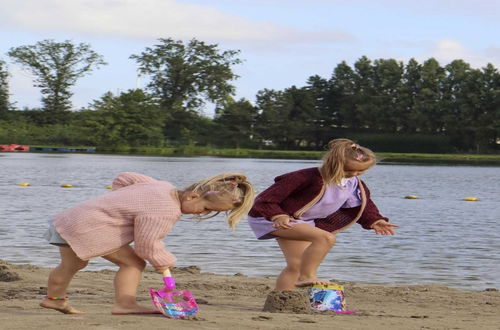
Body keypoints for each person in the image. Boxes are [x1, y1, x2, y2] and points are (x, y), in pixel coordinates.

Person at [40, 171, 254, 315]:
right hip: (88, 228)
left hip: (71, 219)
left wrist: (123, 200)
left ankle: (54, 299)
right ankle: (125, 304)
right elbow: (147, 245)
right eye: (207, 209)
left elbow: (124, 178)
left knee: (73, 265)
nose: (204, 214)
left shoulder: (162, 186)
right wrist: (163, 261)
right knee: (133, 264)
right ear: (193, 196)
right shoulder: (165, 210)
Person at [247, 138, 398, 290]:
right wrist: (277, 215)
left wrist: (375, 220)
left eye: (360, 171)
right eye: (347, 170)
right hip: (270, 217)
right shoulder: (305, 177)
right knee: (326, 238)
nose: (353, 174)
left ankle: (281, 299)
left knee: (297, 265)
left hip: (302, 221)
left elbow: (362, 205)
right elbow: (264, 199)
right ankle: (308, 276)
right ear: (333, 164)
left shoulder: (353, 183)